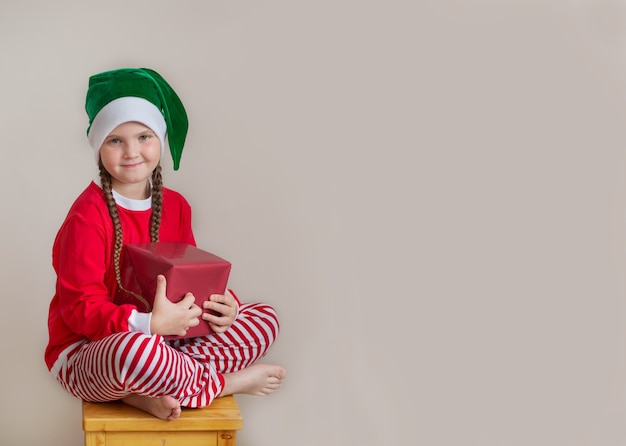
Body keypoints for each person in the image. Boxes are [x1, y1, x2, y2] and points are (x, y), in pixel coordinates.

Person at [44, 67, 286, 420]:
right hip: (92, 350)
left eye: (144, 136)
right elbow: (80, 310)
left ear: (159, 138)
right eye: (116, 140)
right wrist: (149, 326)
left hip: (169, 343)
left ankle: (149, 389)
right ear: (99, 148)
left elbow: (193, 282)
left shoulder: (176, 205)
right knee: (136, 352)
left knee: (264, 318)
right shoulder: (86, 217)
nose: (131, 151)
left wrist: (224, 307)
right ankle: (220, 384)